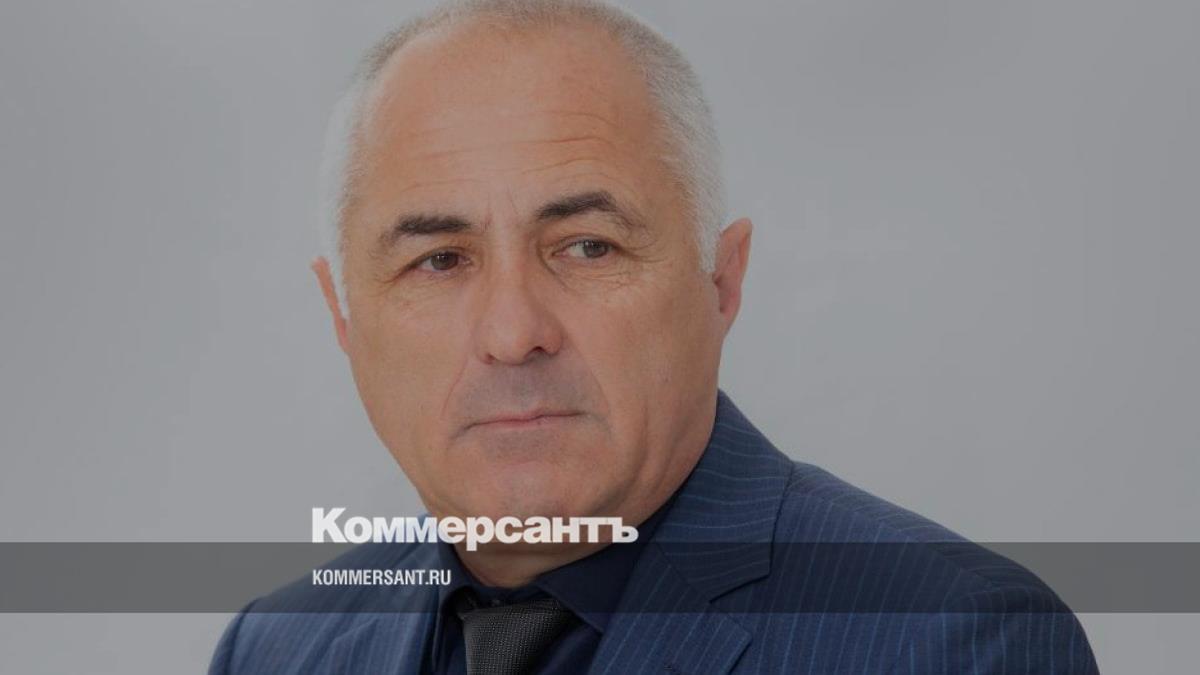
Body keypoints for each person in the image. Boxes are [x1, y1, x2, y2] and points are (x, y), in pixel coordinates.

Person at [211, 1, 1098, 672]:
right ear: (342, 314)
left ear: (722, 280)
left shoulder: (952, 641)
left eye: (588, 246)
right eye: (439, 260)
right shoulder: (275, 648)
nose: (514, 333)